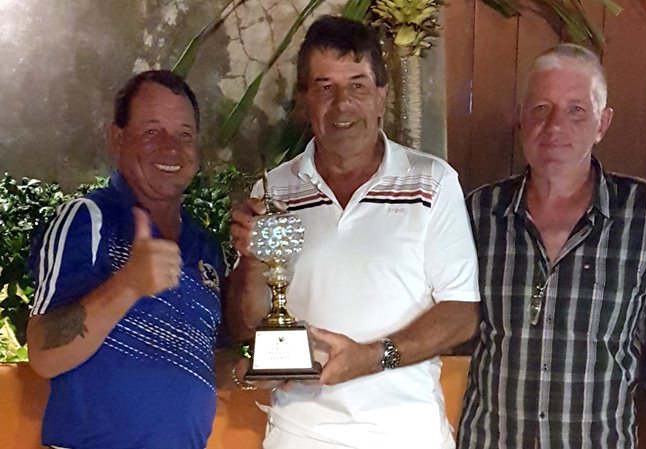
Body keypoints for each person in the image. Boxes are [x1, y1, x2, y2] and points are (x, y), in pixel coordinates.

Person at [228, 15, 480, 449]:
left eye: (358, 85)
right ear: (305, 100)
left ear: (382, 95)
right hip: (298, 435)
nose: (342, 104)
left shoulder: (433, 182)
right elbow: (246, 325)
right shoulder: (272, 190)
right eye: (325, 87)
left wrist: (372, 357)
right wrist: (251, 260)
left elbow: (461, 313)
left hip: (407, 435)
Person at [458, 43, 646, 449]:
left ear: (602, 123)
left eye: (576, 110)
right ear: (520, 118)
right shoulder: (480, 212)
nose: (554, 127)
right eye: (541, 108)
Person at [27, 70, 227, 449]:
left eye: (184, 135)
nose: (171, 148)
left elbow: (193, 357)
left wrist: (245, 367)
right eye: (152, 132)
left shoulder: (206, 246)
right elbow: (43, 352)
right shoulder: (88, 218)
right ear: (117, 139)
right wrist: (129, 284)